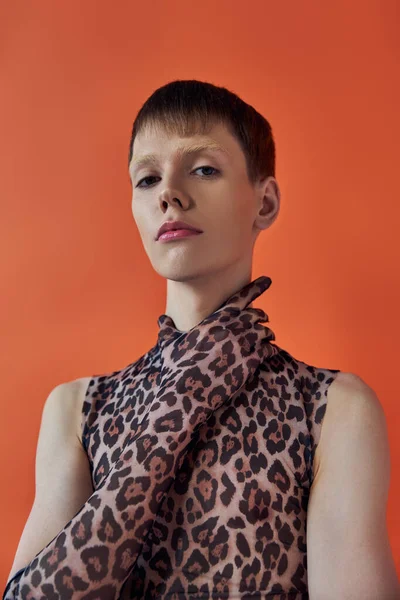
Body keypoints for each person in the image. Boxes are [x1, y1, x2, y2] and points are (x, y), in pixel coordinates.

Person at [4, 80, 399, 599]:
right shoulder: (78, 410)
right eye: (147, 179)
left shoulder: (331, 411)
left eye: (204, 169)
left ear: (265, 202)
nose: (169, 192)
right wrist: (186, 394)